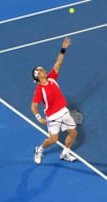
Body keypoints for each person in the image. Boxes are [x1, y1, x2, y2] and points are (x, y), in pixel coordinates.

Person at [31, 37, 78, 165]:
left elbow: (58, 63)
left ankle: (65, 153)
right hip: (52, 116)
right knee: (53, 139)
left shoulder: (52, 78)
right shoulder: (39, 90)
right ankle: (39, 149)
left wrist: (63, 48)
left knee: (73, 133)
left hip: (63, 111)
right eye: (40, 70)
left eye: (42, 69)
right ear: (37, 76)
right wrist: (39, 117)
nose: (43, 70)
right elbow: (34, 106)